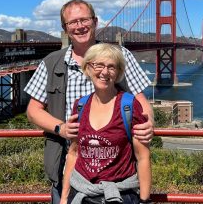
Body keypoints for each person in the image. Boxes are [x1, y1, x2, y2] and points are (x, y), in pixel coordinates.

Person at [24, 0, 154, 204]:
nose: (79, 26)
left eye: (84, 19)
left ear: (95, 21)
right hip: (67, 167)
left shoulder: (120, 56)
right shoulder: (51, 62)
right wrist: (61, 128)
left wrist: (148, 125)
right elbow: (33, 110)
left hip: (117, 173)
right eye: (72, 22)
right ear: (65, 28)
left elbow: (141, 102)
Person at [61, 43, 151, 204]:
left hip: (119, 195)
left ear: (118, 73)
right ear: (88, 68)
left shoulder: (129, 106)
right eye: (98, 65)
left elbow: (142, 157)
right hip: (81, 193)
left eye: (111, 67)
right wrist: (63, 198)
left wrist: (144, 200)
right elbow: (74, 153)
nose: (104, 72)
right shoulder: (80, 106)